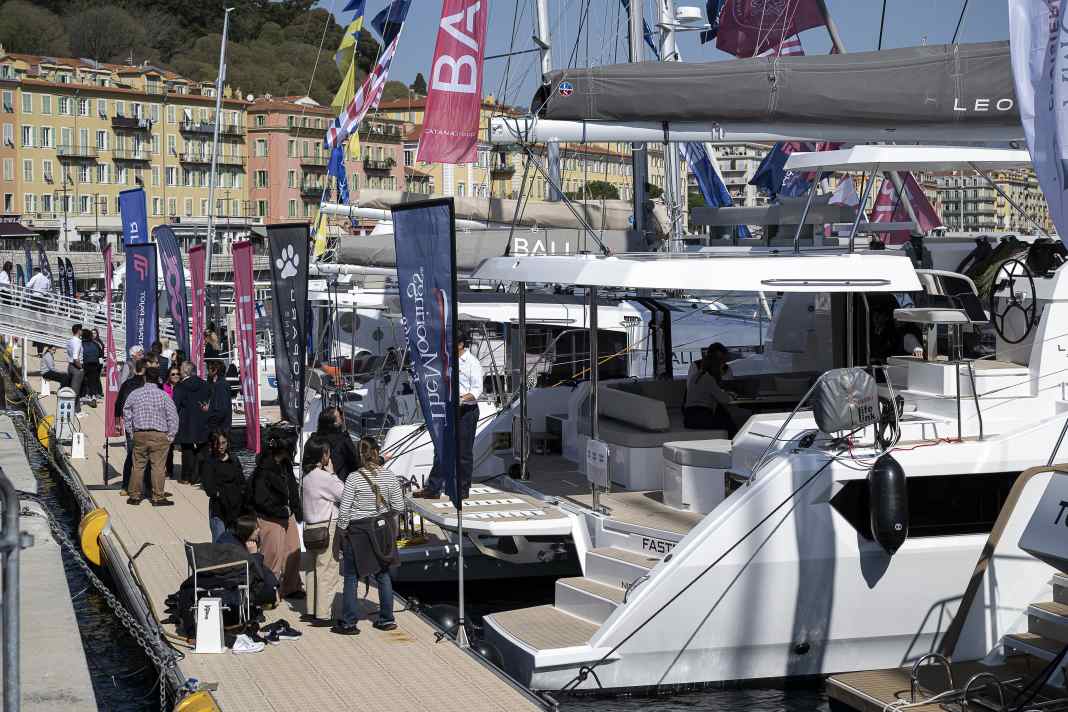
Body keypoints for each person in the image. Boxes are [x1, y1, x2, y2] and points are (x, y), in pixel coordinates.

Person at [334, 437, 404, 635]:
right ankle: (387, 619)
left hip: (357, 532)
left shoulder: (354, 478)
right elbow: (399, 506)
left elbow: (344, 511)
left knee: (351, 577)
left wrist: (340, 533)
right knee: (383, 574)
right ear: (377, 452)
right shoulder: (389, 477)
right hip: (381, 532)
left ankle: (349, 622)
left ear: (359, 455)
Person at [413, 333, 482, 500]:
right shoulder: (448, 361)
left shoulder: (472, 363)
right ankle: (433, 488)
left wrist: (459, 400)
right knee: (441, 449)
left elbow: (476, 391)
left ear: (460, 344)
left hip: (466, 412)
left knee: (463, 452)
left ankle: (463, 489)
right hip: (448, 411)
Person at [250, 422, 303, 599]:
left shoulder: (285, 465)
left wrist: (296, 508)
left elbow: (292, 488)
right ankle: (268, 590)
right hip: (270, 517)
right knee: (273, 555)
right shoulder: (264, 469)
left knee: (293, 551)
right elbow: (260, 499)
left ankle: (291, 586)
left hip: (287, 514)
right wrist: (281, 510)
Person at [301, 436, 345, 622]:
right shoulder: (324, 477)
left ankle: (311, 608)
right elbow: (344, 493)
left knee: (312, 569)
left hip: (310, 528)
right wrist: (333, 473)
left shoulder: (307, 476)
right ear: (322, 455)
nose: (330, 455)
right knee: (328, 570)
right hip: (327, 528)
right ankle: (323, 613)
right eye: (327, 452)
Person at [122, 365, 178, 506]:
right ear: (158, 379)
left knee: (138, 466)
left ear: (145, 377)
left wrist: (130, 431)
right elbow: (173, 417)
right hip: (159, 435)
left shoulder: (135, 394)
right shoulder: (164, 395)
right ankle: (158, 497)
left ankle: (134, 496)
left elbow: (126, 412)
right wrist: (171, 436)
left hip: (140, 433)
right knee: (158, 467)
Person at [683, 345, 744, 437]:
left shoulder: (696, 376)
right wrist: (732, 395)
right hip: (701, 418)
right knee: (729, 424)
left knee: (724, 417)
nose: (722, 368)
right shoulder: (709, 379)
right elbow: (724, 400)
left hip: (689, 418)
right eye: (721, 365)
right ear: (715, 366)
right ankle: (734, 446)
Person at [201, 431, 247, 542]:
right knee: (219, 541)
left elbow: (241, 481)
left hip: (235, 508)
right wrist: (220, 494)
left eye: (223, 443)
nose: (221, 446)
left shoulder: (233, 459)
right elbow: (209, 488)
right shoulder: (209, 462)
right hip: (219, 508)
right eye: (218, 443)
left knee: (234, 542)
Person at [173, 361, 211, 485]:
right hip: (202, 419)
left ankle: (186, 476)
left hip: (186, 421)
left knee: (187, 450)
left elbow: (175, 405)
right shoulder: (205, 384)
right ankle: (200, 475)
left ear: (185, 371)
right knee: (202, 449)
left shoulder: (180, 386)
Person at [116, 358, 151, 496]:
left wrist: (118, 421)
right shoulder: (146, 385)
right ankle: (147, 487)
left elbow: (119, 403)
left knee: (131, 455)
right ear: (144, 370)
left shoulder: (127, 384)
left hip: (130, 423)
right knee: (147, 456)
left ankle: (125, 486)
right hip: (145, 423)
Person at [302, 407, 359, 482]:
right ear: (335, 423)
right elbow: (355, 461)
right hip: (339, 485)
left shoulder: (313, 440)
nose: (342, 418)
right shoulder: (343, 441)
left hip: (315, 483)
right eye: (340, 416)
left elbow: (305, 464)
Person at [205, 360, 233, 435]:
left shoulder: (220, 386)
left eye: (209, 369)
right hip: (220, 427)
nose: (207, 372)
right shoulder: (218, 384)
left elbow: (221, 409)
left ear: (215, 371)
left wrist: (210, 423)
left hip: (220, 429)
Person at [65, 323, 85, 414]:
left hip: (70, 366)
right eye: (81, 330)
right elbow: (75, 357)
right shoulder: (77, 342)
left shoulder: (70, 341)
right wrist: (81, 367)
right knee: (75, 391)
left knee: (72, 390)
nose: (82, 331)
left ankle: (77, 409)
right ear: (78, 331)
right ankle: (73, 411)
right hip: (76, 367)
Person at [81, 328, 102, 405]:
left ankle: (82, 397)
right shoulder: (96, 344)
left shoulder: (81, 344)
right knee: (93, 382)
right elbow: (100, 356)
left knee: (83, 381)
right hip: (95, 365)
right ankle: (93, 397)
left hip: (84, 364)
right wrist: (100, 367)